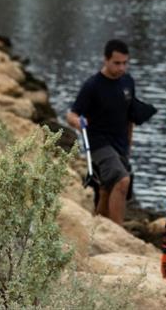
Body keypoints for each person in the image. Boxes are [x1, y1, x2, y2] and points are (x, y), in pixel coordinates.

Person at [66, 39, 137, 225]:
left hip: (120, 145)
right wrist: (78, 122)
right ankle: (118, 234)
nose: (121, 67)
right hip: (98, 144)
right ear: (105, 60)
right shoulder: (92, 86)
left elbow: (130, 118)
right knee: (122, 181)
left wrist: (129, 146)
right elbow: (71, 115)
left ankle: (99, 228)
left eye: (125, 63)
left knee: (106, 190)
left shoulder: (128, 82)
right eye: (117, 63)